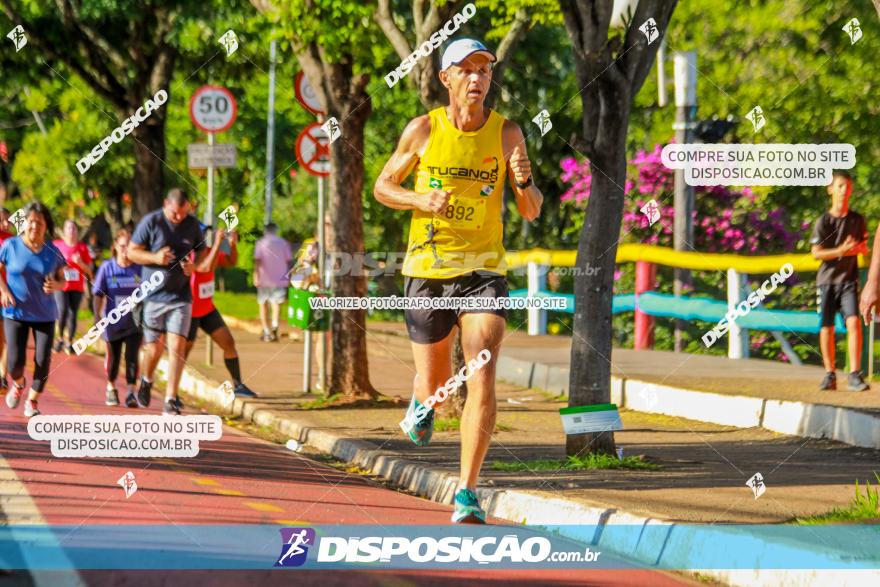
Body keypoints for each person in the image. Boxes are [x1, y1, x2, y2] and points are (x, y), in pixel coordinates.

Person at [373, 39, 543, 523]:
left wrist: (525, 182)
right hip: (427, 271)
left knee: (483, 368)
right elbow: (383, 187)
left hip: (484, 269)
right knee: (437, 384)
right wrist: (418, 201)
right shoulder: (424, 129)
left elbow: (530, 210)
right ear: (445, 78)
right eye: (466, 70)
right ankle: (422, 396)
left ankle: (467, 491)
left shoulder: (508, 133)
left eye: (484, 70)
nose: (476, 78)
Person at [127, 188, 207, 415]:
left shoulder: (192, 224)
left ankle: (171, 398)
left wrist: (194, 265)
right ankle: (146, 378)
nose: (179, 218)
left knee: (177, 347)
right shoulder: (150, 222)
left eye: (183, 213)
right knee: (154, 348)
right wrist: (155, 257)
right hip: (153, 295)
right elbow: (132, 252)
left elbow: (201, 250)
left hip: (181, 296)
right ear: (165, 204)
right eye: (174, 214)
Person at [0, 202, 66, 417]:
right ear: (24, 223)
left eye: (39, 222)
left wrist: (56, 285)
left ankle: (32, 402)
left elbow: (62, 281)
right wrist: (4, 291)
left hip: (44, 315)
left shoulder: (53, 251)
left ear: (46, 226)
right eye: (31, 221)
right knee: (14, 363)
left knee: (42, 361)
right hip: (15, 312)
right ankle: (18, 385)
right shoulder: (10, 246)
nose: (34, 226)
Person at [810, 170, 870, 391]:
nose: (845, 191)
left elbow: (864, 247)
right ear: (830, 189)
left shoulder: (857, 220)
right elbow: (816, 253)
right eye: (840, 186)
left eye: (848, 187)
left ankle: (854, 374)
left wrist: (857, 249)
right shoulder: (823, 221)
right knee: (827, 328)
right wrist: (842, 251)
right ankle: (830, 374)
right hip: (827, 282)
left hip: (849, 281)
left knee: (854, 322)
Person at [185, 224, 256, 397]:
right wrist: (217, 243)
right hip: (189, 312)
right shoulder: (189, 255)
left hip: (207, 309)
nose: (205, 238)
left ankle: (238, 385)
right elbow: (205, 268)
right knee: (183, 353)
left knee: (229, 343)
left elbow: (231, 261)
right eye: (203, 235)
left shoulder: (211, 251)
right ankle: (173, 392)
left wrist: (232, 244)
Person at [92, 229, 143, 407]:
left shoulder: (139, 268)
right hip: (113, 322)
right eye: (122, 246)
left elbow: (148, 294)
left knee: (132, 357)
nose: (125, 249)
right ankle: (111, 387)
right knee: (114, 358)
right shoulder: (107, 268)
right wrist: (97, 317)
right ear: (115, 246)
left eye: (129, 246)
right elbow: (98, 294)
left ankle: (131, 392)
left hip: (134, 323)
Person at [52, 220, 94, 354]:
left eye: (74, 228)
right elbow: (49, 265)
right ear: (64, 231)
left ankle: (69, 341)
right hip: (61, 285)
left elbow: (89, 271)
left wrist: (80, 263)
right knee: (63, 310)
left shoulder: (82, 248)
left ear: (77, 231)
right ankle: (59, 339)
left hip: (76, 287)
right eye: (68, 228)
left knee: (73, 314)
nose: (71, 231)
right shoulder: (57, 245)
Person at [254, 223, 292, 342]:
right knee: (276, 304)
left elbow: (257, 261)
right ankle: (275, 327)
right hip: (280, 279)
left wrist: (255, 275)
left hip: (264, 279)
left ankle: (266, 331)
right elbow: (289, 260)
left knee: (263, 304)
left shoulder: (261, 242)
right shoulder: (283, 243)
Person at [0, 208, 13, 391]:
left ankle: (2, 377)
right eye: (1, 221)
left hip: (8, 294)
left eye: (7, 221)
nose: (4, 224)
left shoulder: (11, 240)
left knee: (7, 337)